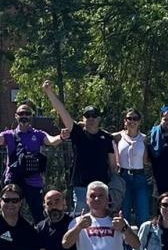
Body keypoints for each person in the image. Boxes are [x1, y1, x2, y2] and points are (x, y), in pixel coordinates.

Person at [0, 99, 64, 223]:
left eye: (27, 113)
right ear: (16, 116)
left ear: (31, 116)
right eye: (21, 113)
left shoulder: (38, 134)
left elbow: (51, 141)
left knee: (38, 215)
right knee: (10, 213)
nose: (24, 116)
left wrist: (62, 136)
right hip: (13, 180)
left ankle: (40, 235)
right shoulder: (9, 135)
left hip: (33, 180)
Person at [41, 80, 118, 211]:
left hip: (101, 186)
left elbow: (113, 165)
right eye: (87, 116)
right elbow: (61, 111)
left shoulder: (106, 137)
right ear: (83, 119)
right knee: (81, 216)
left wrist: (114, 182)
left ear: (99, 119)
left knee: (101, 216)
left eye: (94, 115)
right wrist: (49, 92)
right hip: (81, 185)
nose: (91, 118)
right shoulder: (77, 132)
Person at [112, 109, 150, 225]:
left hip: (140, 177)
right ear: (125, 121)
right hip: (123, 177)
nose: (132, 121)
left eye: (135, 119)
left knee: (143, 213)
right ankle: (124, 236)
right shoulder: (118, 136)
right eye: (129, 118)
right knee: (124, 213)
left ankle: (143, 236)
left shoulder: (144, 139)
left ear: (139, 122)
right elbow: (100, 133)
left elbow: (147, 160)